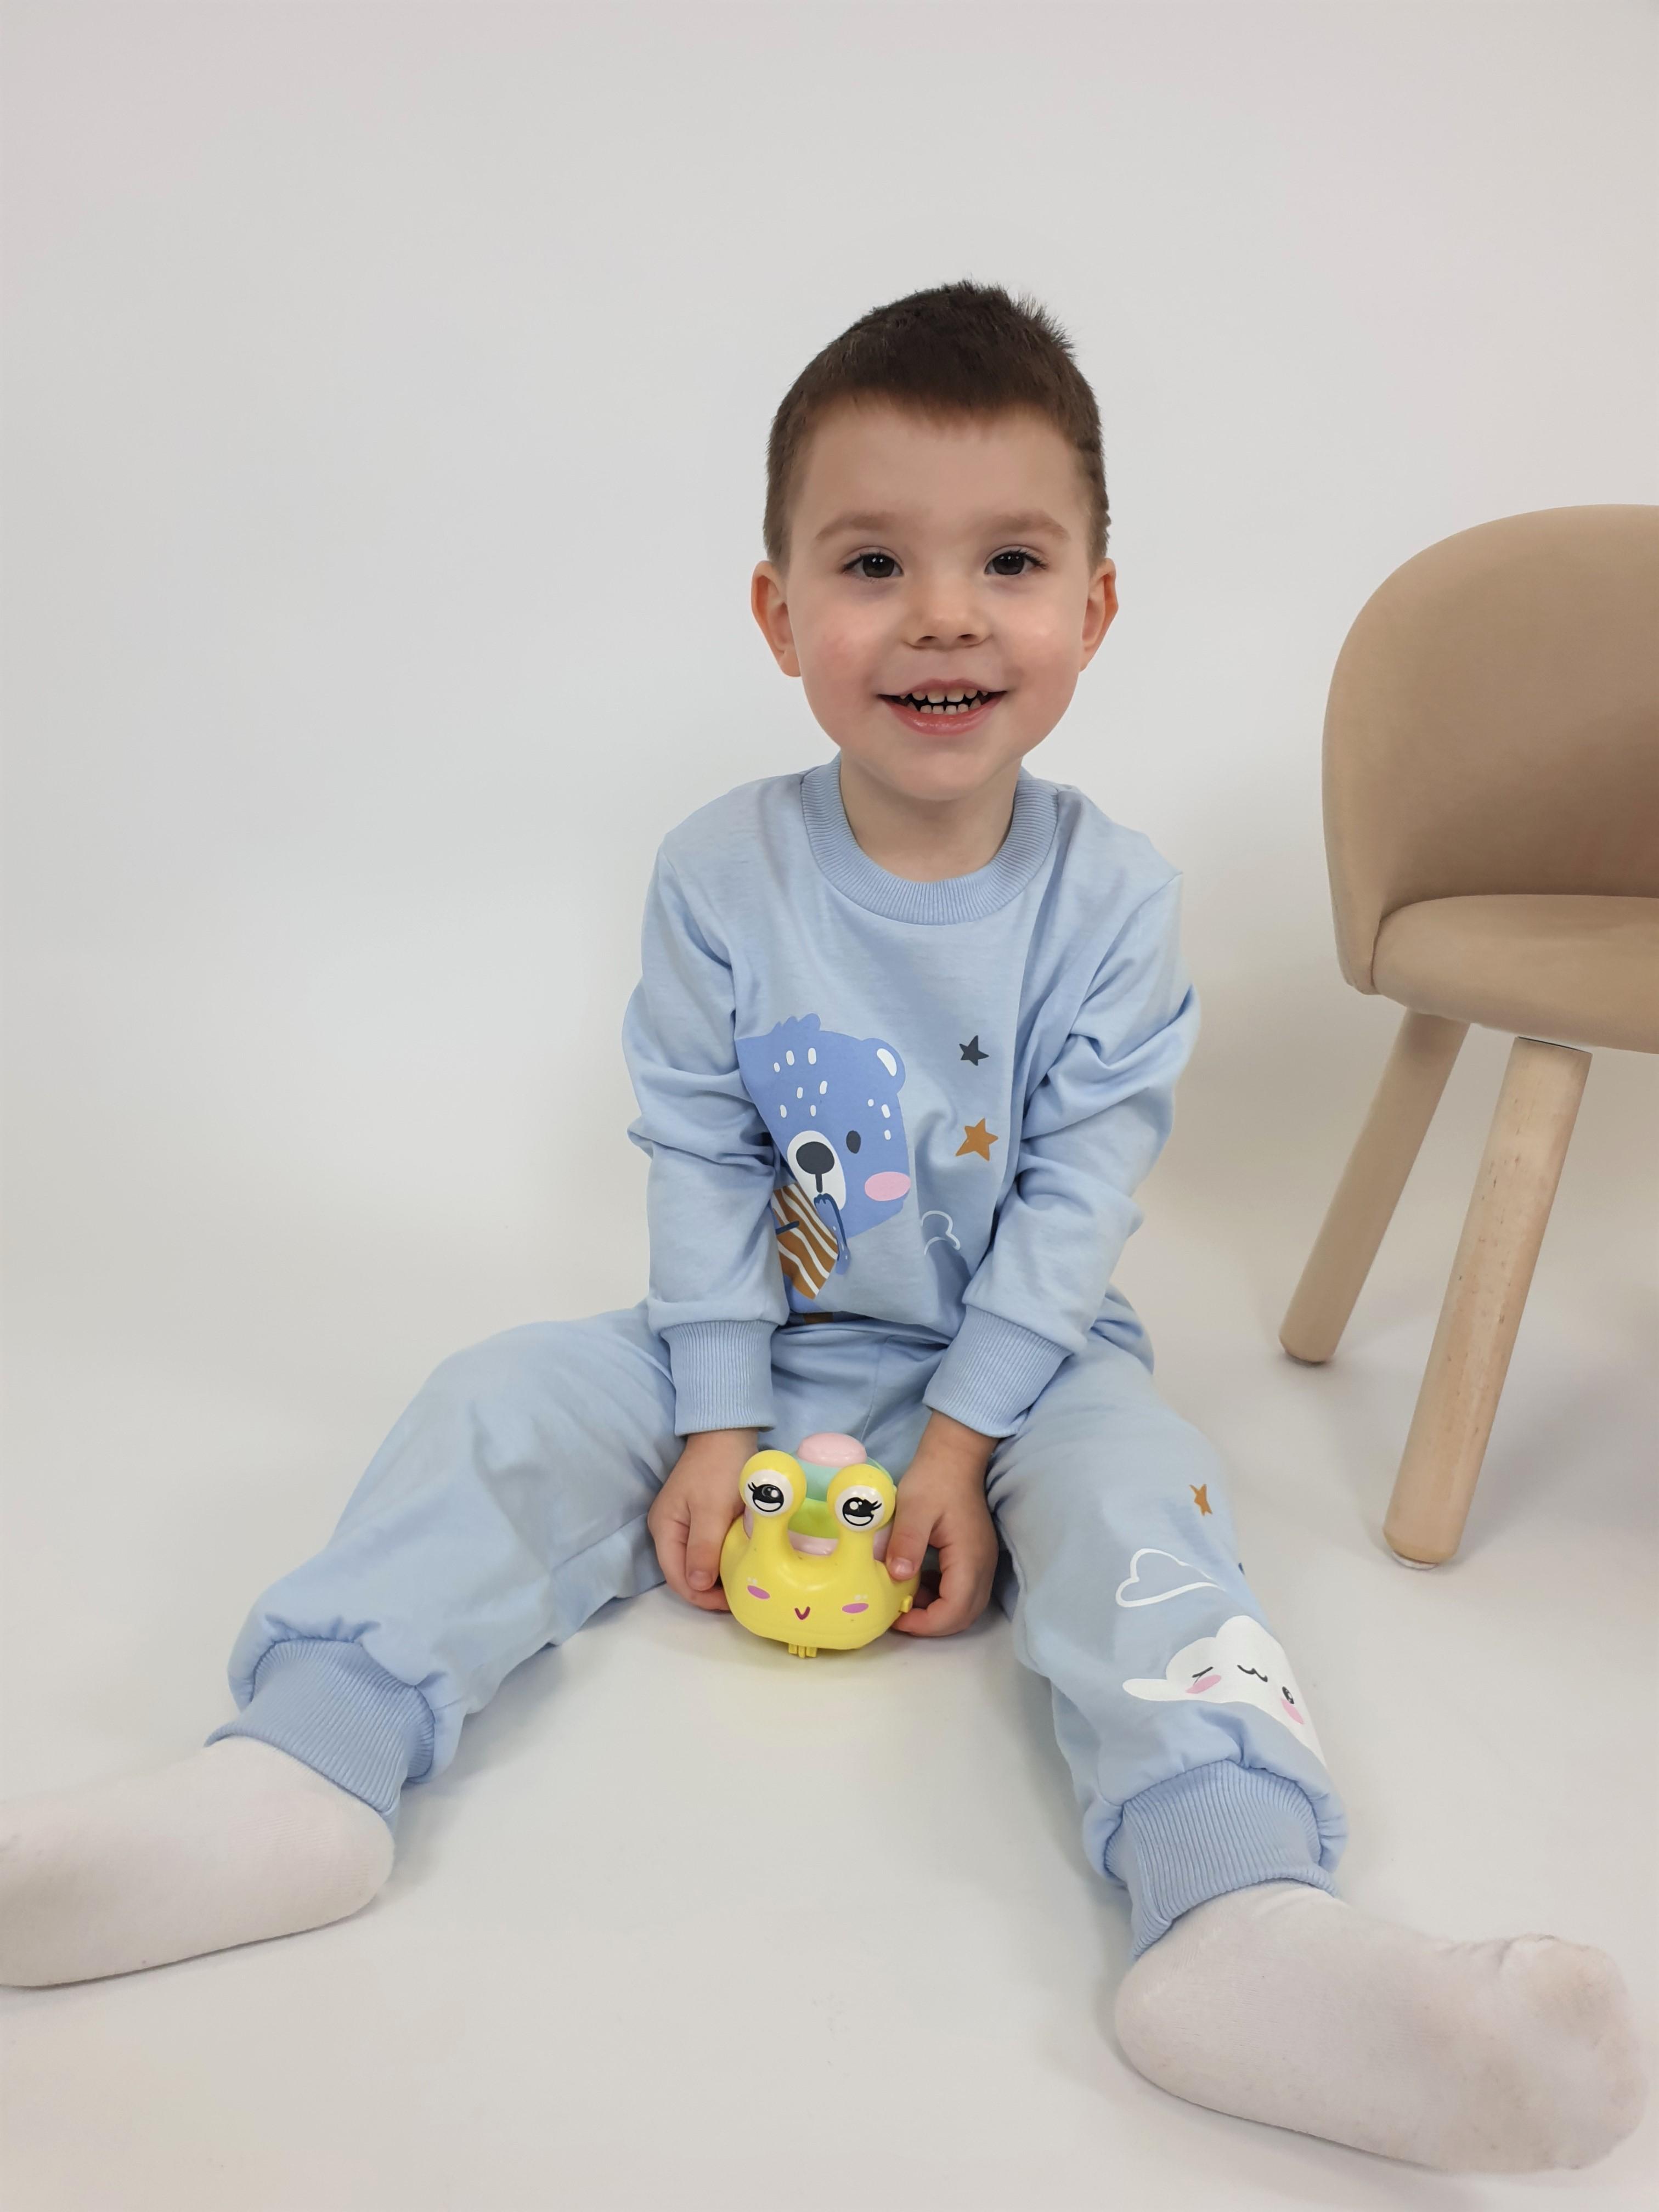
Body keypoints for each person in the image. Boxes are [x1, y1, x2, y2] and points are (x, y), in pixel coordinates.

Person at [0, 283, 1643, 2174]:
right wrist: (713, 1417)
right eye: (874, 563)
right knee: (495, 1396)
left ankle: (1234, 1906)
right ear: (781, 614)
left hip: (1018, 1378)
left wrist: (960, 1447)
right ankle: (305, 1765)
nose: (945, 614)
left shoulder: (1110, 899)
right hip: (750, 1346)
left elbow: (1078, 1198)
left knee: (1149, 1502)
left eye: (1010, 561)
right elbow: (704, 1152)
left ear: (1097, 607)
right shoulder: (722, 872)